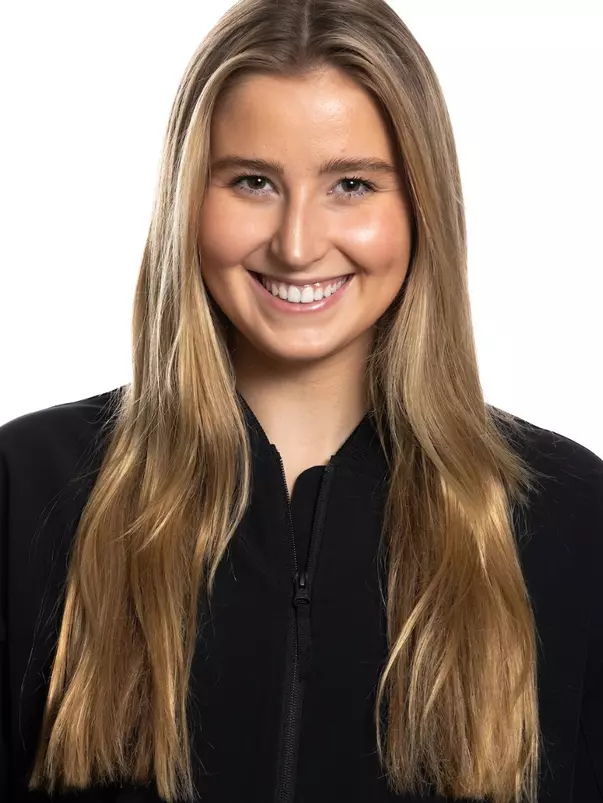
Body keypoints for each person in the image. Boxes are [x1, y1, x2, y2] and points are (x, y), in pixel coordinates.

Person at [1, 0, 602, 801]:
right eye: (252, 181)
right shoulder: (29, 487)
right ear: (188, 200)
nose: (295, 242)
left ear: (420, 206)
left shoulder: (568, 516)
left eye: (350, 185)